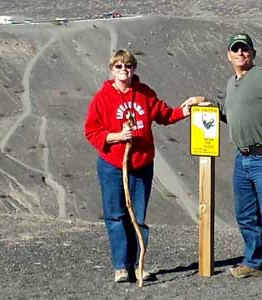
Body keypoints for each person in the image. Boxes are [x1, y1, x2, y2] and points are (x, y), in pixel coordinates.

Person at [84, 49, 202, 283]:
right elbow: (91, 130)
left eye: (128, 66)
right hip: (113, 165)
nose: (124, 70)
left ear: (134, 68)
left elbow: (165, 115)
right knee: (116, 216)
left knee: (137, 217)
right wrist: (116, 136)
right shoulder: (102, 98)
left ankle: (139, 265)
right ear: (111, 69)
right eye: (119, 66)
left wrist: (185, 111)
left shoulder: (144, 94)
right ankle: (121, 266)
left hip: (140, 165)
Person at [195, 33, 262, 289]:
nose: (241, 53)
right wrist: (206, 104)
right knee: (245, 216)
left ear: (253, 53)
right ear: (228, 55)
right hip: (241, 159)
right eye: (236, 49)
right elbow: (233, 115)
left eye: (245, 49)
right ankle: (253, 263)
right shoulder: (232, 83)